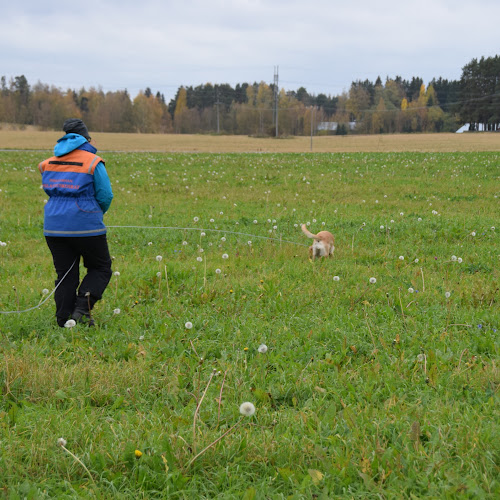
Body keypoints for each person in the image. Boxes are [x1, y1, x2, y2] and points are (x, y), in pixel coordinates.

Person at [39, 118, 113, 327]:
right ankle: (82, 309)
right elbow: (105, 194)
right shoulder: (93, 161)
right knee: (100, 267)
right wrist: (97, 213)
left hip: (53, 227)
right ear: (85, 138)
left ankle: (63, 319)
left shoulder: (48, 162)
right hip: (87, 225)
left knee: (65, 274)